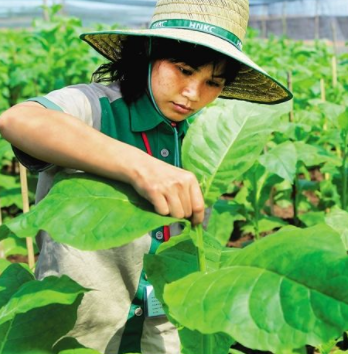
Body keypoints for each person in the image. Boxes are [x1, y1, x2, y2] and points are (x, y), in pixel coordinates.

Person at [0, 0, 292, 353]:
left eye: (212, 83)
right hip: (82, 331)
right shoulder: (96, 108)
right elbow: (19, 120)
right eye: (184, 70)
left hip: (164, 333)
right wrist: (141, 166)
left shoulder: (203, 142)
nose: (193, 94)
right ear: (149, 53)